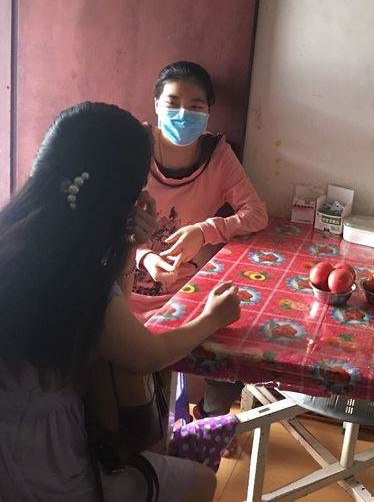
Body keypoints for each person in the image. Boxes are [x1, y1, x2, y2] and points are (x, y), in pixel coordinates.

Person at [0, 102, 240, 501]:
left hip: (22, 429)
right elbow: (146, 355)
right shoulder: (74, 277)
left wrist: (129, 246)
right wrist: (212, 318)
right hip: (35, 457)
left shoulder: (23, 233)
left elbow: (115, 315)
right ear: (121, 193)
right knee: (202, 482)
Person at [129, 61, 268, 436]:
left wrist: (204, 231)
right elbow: (104, 220)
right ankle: (152, 429)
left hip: (186, 289)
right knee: (133, 366)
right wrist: (144, 256)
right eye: (172, 102)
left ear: (209, 111)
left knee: (236, 335)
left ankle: (208, 419)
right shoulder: (133, 147)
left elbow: (256, 214)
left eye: (195, 106)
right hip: (124, 286)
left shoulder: (217, 155)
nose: (182, 114)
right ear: (155, 104)